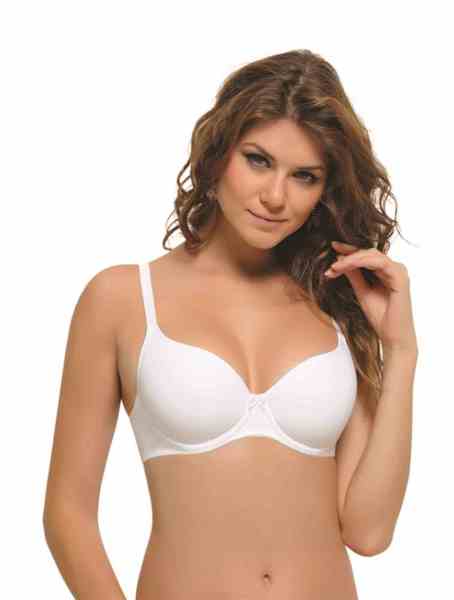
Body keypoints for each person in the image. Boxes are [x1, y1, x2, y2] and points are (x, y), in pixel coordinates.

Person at [42, 49, 418, 600]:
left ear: (324, 191)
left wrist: (401, 352)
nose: (275, 197)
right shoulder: (123, 299)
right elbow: (67, 513)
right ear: (218, 154)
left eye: (304, 176)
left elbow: (368, 531)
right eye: (258, 160)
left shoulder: (338, 309)